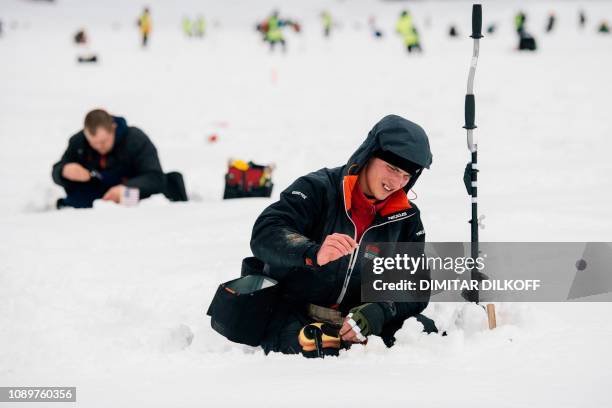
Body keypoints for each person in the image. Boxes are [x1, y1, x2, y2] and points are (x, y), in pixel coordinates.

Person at [250, 115, 434, 357]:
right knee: (316, 350)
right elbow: (266, 232)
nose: (397, 182)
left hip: (355, 322)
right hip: (293, 310)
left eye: (407, 176)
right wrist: (311, 252)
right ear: (369, 154)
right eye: (392, 168)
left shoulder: (406, 217)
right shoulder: (317, 188)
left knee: (426, 331)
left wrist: (381, 309)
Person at [52, 109, 166, 209]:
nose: (99, 147)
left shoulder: (135, 138)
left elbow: (155, 177)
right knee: (75, 202)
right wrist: (64, 171)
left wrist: (125, 189)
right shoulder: (78, 142)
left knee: (137, 201)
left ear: (113, 127)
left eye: (103, 142)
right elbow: (57, 171)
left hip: (131, 194)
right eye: (94, 143)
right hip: (94, 199)